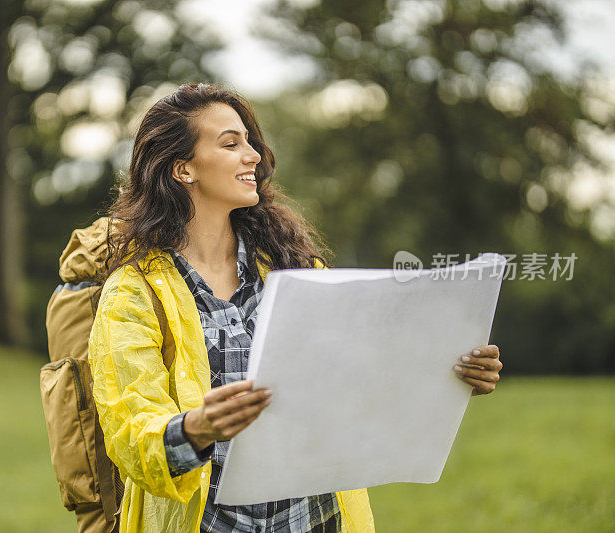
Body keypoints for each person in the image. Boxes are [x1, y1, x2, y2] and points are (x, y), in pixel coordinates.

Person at [87, 82, 503, 532]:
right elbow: (129, 431)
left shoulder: (296, 268)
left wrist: (448, 376)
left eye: (250, 141)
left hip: (315, 521)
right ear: (182, 169)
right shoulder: (132, 294)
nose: (254, 156)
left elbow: (363, 378)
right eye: (231, 143)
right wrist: (196, 428)